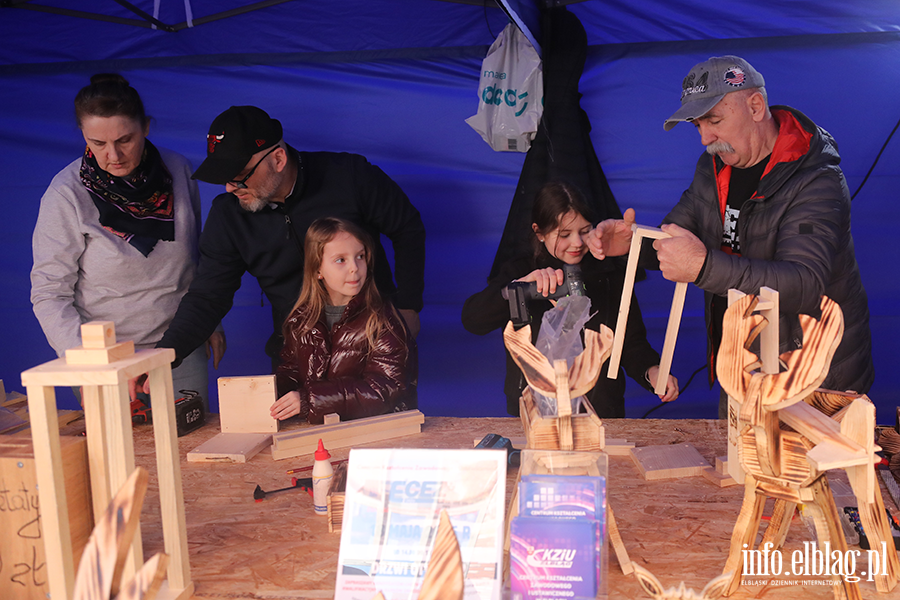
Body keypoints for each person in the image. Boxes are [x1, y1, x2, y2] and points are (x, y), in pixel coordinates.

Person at [589, 55, 873, 417]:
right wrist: (633, 245)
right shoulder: (713, 166)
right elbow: (678, 237)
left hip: (813, 374)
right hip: (741, 361)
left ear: (755, 106)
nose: (706, 137)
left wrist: (704, 267)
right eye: (697, 125)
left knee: (807, 471)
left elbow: (804, 283)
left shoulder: (817, 180)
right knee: (741, 465)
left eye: (715, 120)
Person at [156, 105, 426, 373]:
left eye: (240, 177)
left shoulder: (350, 175)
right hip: (297, 360)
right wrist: (163, 356)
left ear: (278, 159)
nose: (230, 188)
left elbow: (407, 227)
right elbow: (207, 297)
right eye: (223, 178)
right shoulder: (228, 216)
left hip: (376, 347)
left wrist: (409, 306)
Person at [30, 73, 224, 408]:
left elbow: (196, 258)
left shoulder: (178, 170)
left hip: (179, 344)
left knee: (188, 449)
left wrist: (210, 322)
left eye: (125, 140)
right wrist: (92, 365)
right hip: (105, 358)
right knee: (118, 455)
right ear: (83, 136)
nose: (114, 155)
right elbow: (49, 292)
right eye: (98, 143)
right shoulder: (66, 194)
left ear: (146, 127)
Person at [462, 181, 678, 418]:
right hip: (533, 408)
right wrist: (518, 287)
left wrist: (652, 371)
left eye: (585, 231)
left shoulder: (609, 271)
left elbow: (631, 341)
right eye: (564, 234)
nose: (576, 243)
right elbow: (473, 320)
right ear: (540, 232)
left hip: (600, 409)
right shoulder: (521, 269)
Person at [272, 217, 417, 423]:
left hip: (378, 434)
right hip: (324, 432)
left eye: (360, 256)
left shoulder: (383, 320)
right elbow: (292, 371)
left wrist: (309, 400)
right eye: (341, 260)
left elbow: (384, 389)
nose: (355, 268)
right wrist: (269, 394)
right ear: (317, 270)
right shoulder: (301, 320)